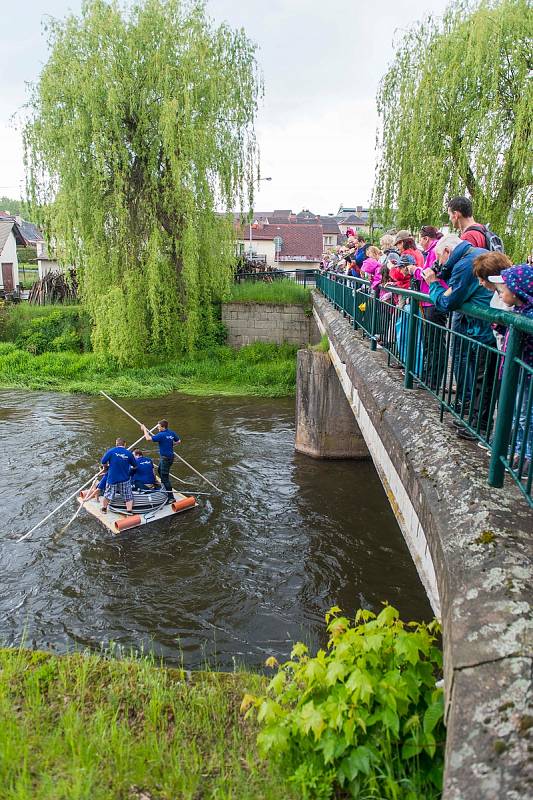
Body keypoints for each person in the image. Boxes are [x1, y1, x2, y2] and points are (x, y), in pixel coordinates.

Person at [423, 234, 497, 441]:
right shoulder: (473, 254)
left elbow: (449, 303)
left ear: (448, 252)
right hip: (480, 329)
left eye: (441, 259)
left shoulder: (465, 264)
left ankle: (480, 427)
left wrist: (434, 284)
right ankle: (475, 422)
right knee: (479, 378)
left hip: (484, 331)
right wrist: (443, 272)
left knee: (483, 380)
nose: (440, 264)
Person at [488, 265, 533, 475]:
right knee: (516, 413)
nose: (500, 293)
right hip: (517, 370)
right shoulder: (519, 312)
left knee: (525, 413)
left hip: (526, 372)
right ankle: (518, 451)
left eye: (503, 289)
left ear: (517, 291)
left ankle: (528, 456)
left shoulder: (527, 315)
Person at [141, 419, 181, 503]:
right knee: (159, 470)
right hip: (168, 457)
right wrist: (169, 444)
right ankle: (164, 487)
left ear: (163, 427)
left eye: (158, 427)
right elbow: (178, 441)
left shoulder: (161, 435)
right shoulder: (171, 433)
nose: (157, 428)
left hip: (166, 459)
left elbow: (148, 438)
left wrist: (144, 429)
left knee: (165, 478)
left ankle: (171, 497)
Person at [100, 437, 137, 513]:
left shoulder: (111, 451)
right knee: (128, 496)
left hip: (112, 478)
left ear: (116, 444)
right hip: (124, 479)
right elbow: (135, 466)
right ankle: (129, 511)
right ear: (125, 444)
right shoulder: (129, 453)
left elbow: (103, 461)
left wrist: (106, 467)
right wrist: (130, 472)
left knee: (108, 494)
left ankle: (104, 508)